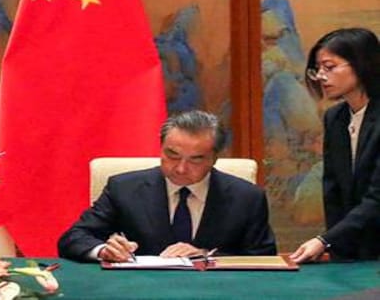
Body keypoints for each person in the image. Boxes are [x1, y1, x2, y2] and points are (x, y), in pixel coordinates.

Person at [58, 110, 276, 261]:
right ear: (161, 147)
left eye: (196, 159)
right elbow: (73, 239)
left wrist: (206, 256)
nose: (180, 168)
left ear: (214, 158)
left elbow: (264, 259)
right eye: (172, 155)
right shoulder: (124, 188)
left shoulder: (247, 198)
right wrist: (104, 250)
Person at [290, 27, 380, 263]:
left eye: (329, 67)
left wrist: (325, 240)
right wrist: (338, 247)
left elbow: (377, 198)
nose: (321, 76)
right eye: (317, 69)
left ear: (361, 64)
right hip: (352, 252)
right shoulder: (335, 117)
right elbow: (333, 191)